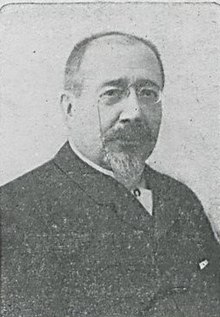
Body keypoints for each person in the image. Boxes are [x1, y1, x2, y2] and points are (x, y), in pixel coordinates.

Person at [1, 31, 220, 317]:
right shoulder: (15, 210)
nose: (134, 112)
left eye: (148, 93)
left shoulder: (180, 199)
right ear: (69, 108)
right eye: (112, 93)